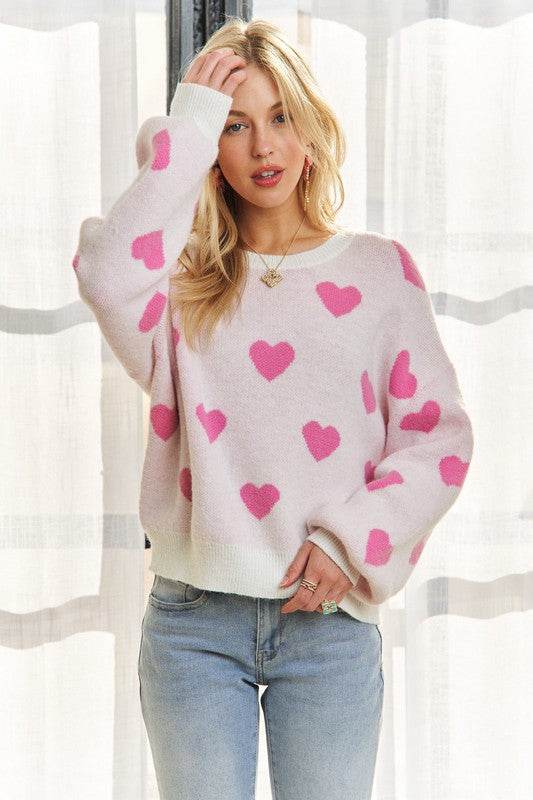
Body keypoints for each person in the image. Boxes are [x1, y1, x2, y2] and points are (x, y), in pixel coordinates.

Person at [73, 16, 474, 800]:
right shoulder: (178, 289)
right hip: (194, 625)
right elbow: (105, 271)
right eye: (234, 126)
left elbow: (438, 440)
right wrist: (187, 128)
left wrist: (348, 543)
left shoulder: (377, 273)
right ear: (210, 152)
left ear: (310, 130)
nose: (263, 146)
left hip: (329, 629)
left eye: (281, 117)